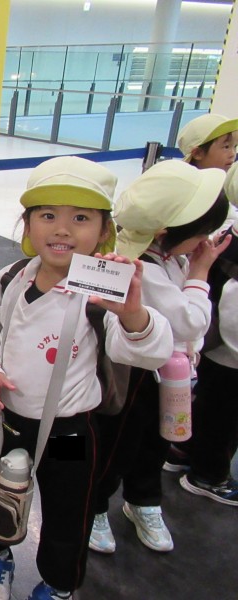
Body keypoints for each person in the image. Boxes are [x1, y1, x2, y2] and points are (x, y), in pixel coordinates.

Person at [0, 156, 173, 600]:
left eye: (80, 218)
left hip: (70, 429)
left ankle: (59, 585)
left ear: (103, 231)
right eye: (47, 216)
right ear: (27, 226)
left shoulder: (104, 292)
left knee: (68, 513)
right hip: (7, 418)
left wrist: (133, 313)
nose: (62, 229)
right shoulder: (11, 278)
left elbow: (146, 351)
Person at [90, 160, 229, 556]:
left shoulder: (171, 255)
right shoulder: (141, 266)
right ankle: (97, 508)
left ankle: (144, 501)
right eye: (199, 234)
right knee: (120, 444)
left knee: (156, 443)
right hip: (133, 381)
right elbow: (190, 322)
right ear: (166, 232)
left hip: (169, 378)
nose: (203, 243)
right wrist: (201, 274)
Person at [163, 113, 238, 472]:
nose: (231, 154)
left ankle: (175, 453)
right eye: (225, 145)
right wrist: (202, 270)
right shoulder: (148, 270)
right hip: (197, 332)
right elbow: (189, 319)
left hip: (183, 352)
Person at [175, 162, 238, 506]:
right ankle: (208, 474)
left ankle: (182, 447)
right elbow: (200, 318)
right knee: (221, 415)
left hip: (204, 353)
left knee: (197, 407)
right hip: (223, 353)